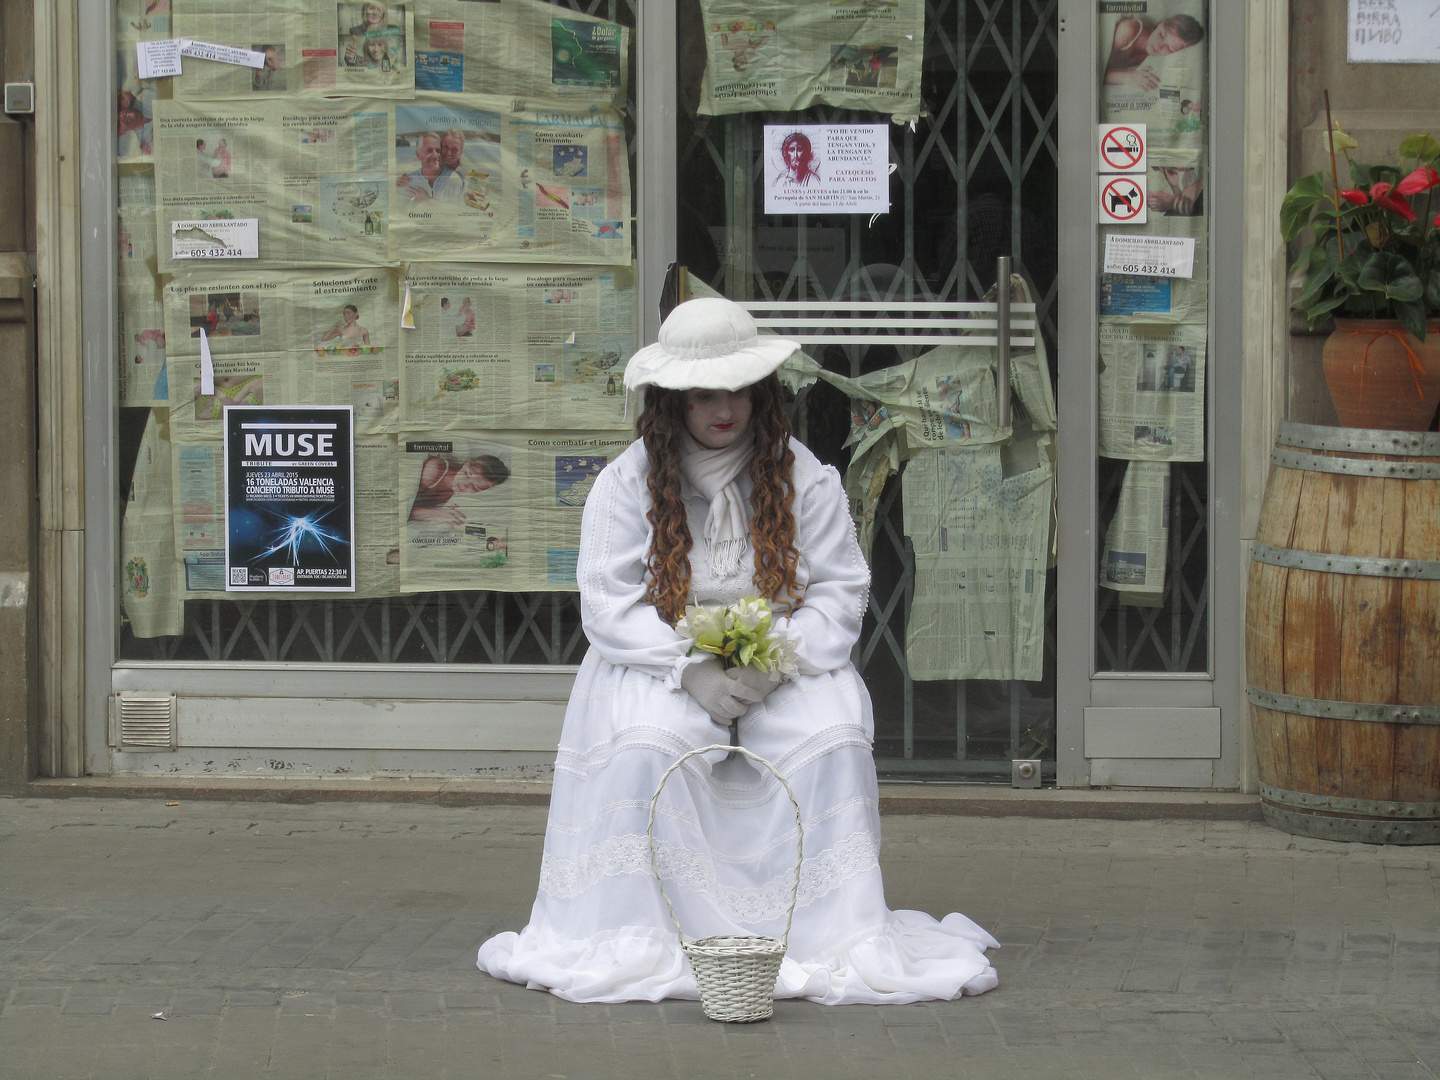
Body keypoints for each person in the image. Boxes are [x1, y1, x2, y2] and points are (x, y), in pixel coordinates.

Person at [477, 297, 999, 1005]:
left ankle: (823, 935)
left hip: (780, 662)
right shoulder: (626, 483)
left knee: (831, 737)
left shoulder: (803, 475)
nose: (723, 409)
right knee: (652, 744)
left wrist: (774, 660)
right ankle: (659, 934)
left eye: (738, 390)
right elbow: (607, 603)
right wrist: (687, 669)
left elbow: (842, 591)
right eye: (703, 395)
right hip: (660, 658)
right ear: (672, 403)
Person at [1104, 13, 1205, 90]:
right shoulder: (1127, 31)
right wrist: (1129, 78)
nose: (1159, 45)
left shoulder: (1154, 59)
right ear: (1161, 24)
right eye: (1161, 34)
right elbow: (1093, 72)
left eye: (1170, 48)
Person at [408, 454, 510, 525]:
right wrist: (434, 514)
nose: (465, 484)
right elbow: (403, 508)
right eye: (466, 474)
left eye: (475, 487)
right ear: (465, 464)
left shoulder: (457, 497)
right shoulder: (434, 471)